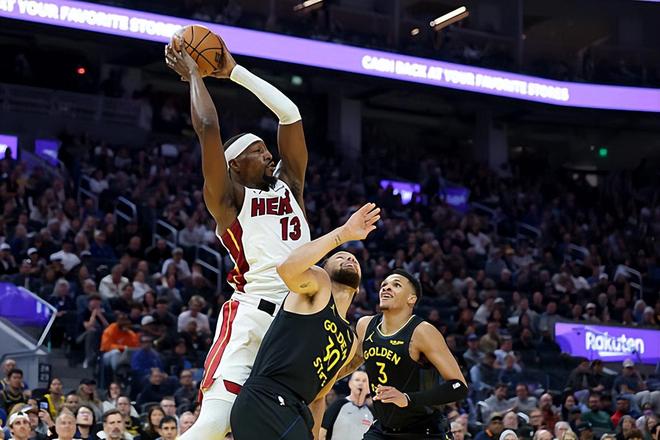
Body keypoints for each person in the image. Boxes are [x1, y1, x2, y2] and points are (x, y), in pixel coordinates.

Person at [165, 28, 310, 439]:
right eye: (257, 151)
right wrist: (195, 74)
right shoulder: (227, 201)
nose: (268, 154)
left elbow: (290, 114)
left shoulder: (290, 185)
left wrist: (235, 72)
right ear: (234, 165)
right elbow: (208, 127)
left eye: (267, 148)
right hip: (252, 318)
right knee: (214, 424)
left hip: (295, 321)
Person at [230, 203, 379, 439]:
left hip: (294, 409)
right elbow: (287, 268)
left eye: (353, 259)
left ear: (359, 288)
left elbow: (319, 395)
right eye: (340, 256)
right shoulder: (318, 286)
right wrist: (343, 234)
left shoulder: (350, 341)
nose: (349, 257)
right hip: (268, 398)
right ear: (323, 269)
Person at [344, 268, 468, 439]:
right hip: (383, 429)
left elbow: (459, 387)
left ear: (411, 299)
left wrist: (407, 398)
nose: (386, 288)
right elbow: (354, 362)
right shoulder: (365, 325)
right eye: (384, 284)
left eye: (396, 285)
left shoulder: (422, 332)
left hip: (423, 430)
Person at [320, 371, 374, 440]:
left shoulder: (372, 412)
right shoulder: (338, 405)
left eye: (364, 381)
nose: (360, 383)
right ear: (350, 384)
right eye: (357, 380)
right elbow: (322, 431)